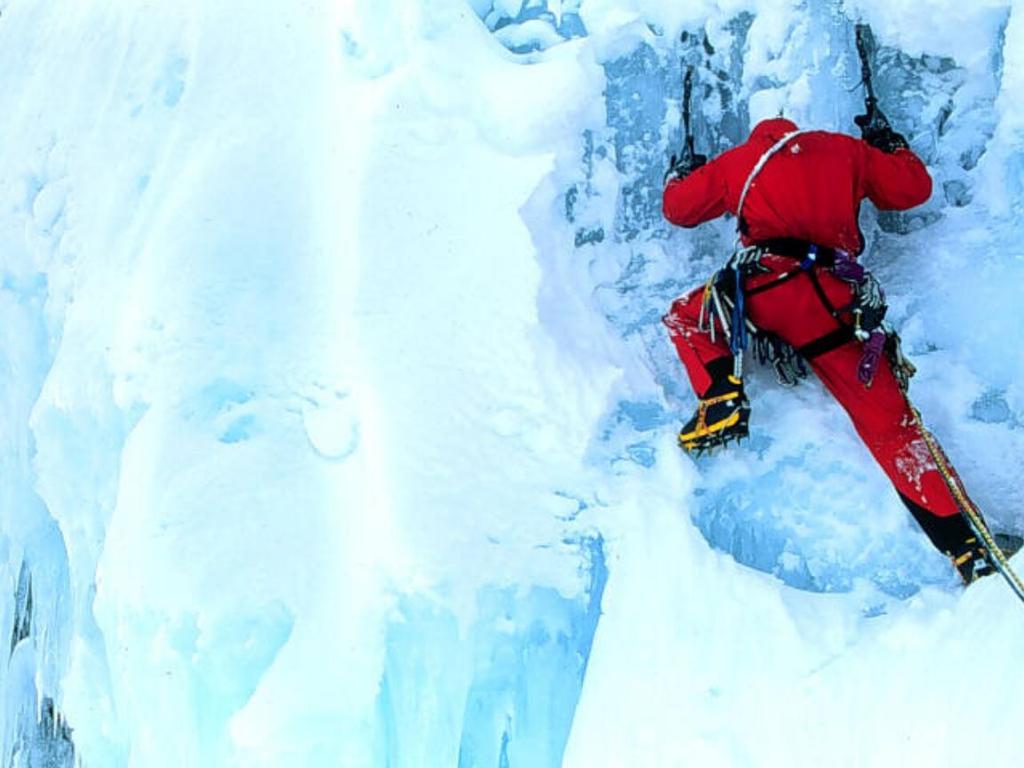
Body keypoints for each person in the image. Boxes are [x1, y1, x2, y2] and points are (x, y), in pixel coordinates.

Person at [660, 114, 996, 584]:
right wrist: (889, 143)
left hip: (764, 292)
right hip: (834, 303)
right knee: (895, 431)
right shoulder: (844, 150)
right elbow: (913, 189)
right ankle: (969, 549)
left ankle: (720, 394)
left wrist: (682, 174)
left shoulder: (742, 162)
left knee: (685, 316)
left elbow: (678, 209)